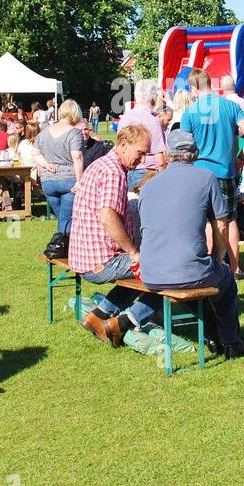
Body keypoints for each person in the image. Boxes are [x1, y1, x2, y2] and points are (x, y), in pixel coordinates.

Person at [138, 129, 244, 359]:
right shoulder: (206, 177)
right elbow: (221, 225)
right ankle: (231, 342)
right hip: (187, 269)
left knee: (192, 279)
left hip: (150, 271)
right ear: (195, 153)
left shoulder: (148, 186)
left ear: (168, 154)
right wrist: (217, 258)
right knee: (225, 280)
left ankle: (212, 335)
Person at [67, 124, 160, 346]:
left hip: (84, 255)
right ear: (124, 145)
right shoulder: (113, 172)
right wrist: (133, 252)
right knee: (165, 271)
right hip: (100, 260)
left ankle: (98, 316)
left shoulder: (101, 164)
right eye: (140, 152)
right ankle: (124, 322)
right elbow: (108, 217)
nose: (143, 159)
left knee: (141, 270)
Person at [180, 70, 244, 273]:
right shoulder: (230, 105)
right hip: (225, 172)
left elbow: (184, 146)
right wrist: (240, 158)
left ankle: (211, 268)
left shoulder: (190, 111)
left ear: (194, 88)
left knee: (206, 222)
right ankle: (235, 267)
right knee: (228, 221)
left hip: (199, 174)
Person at [37, 100, 85, 237]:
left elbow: (36, 153)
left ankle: (62, 245)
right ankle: (66, 249)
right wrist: (79, 181)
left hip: (48, 181)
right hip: (68, 180)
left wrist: (46, 165)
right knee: (67, 219)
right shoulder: (74, 133)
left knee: (62, 218)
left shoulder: (44, 132)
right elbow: (77, 157)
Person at [118, 82, 167, 190]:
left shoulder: (125, 119)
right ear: (153, 97)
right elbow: (160, 160)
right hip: (149, 173)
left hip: (129, 172)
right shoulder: (153, 121)